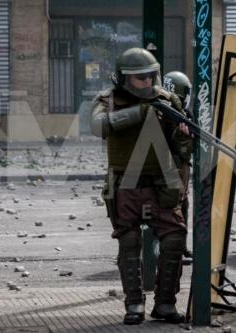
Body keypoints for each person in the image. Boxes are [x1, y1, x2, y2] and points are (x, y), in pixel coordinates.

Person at [90, 47, 192, 325]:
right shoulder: (108, 100)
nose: (147, 82)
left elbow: (183, 150)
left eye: (150, 76)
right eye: (140, 78)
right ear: (124, 78)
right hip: (126, 183)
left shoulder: (167, 100)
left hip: (162, 183)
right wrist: (142, 112)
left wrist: (183, 136)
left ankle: (165, 304)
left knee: (174, 239)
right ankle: (134, 304)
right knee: (129, 241)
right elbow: (98, 126)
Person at [162, 71, 193, 259]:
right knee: (177, 207)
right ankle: (175, 248)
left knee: (181, 206)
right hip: (174, 167)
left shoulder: (181, 114)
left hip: (177, 167)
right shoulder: (170, 112)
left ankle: (179, 247)